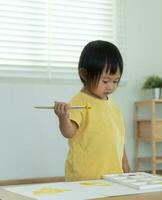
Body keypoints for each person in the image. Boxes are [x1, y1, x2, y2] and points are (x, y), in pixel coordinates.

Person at [54, 40, 130, 181]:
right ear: (84, 74)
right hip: (85, 177)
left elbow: (119, 139)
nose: (110, 87)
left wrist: (125, 164)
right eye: (105, 81)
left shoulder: (113, 107)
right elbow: (69, 132)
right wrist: (63, 117)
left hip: (113, 176)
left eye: (115, 81)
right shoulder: (79, 102)